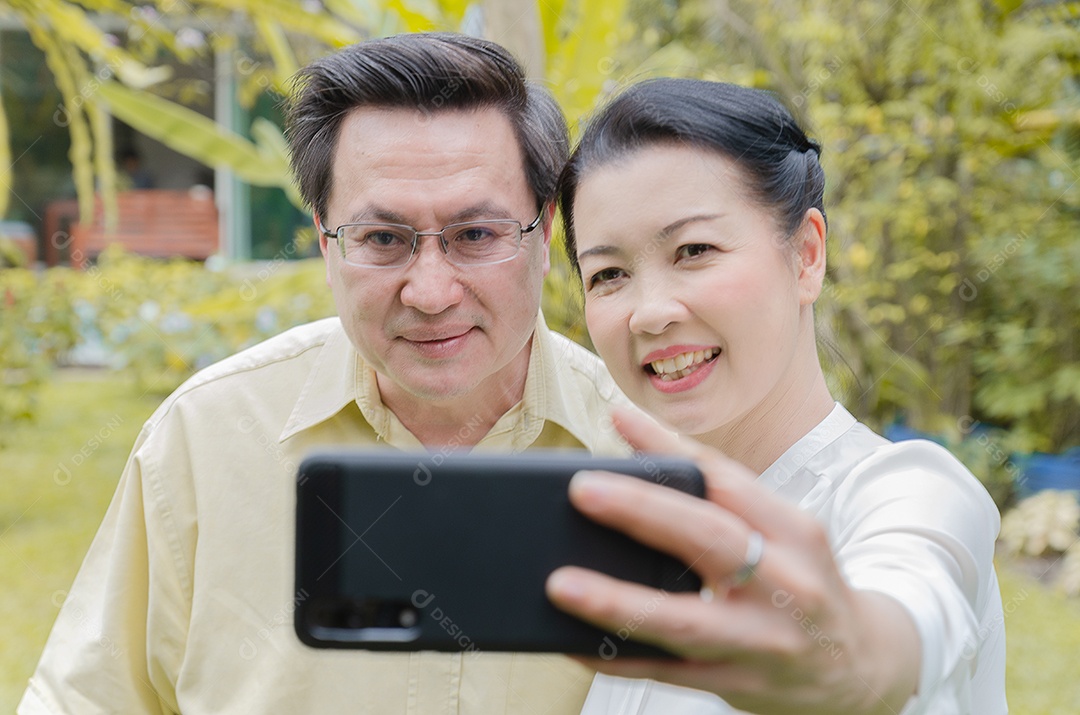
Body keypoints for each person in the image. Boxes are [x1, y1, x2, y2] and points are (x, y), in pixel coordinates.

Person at [19, 33, 633, 714]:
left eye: (476, 235)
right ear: (323, 238)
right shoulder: (207, 435)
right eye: (382, 239)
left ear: (544, 233)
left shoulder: (643, 450)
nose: (430, 292)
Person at [545, 78, 1006, 714]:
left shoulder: (909, 488)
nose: (649, 314)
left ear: (807, 255)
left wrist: (848, 664)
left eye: (694, 250)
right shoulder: (634, 530)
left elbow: (907, 607)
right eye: (609, 275)